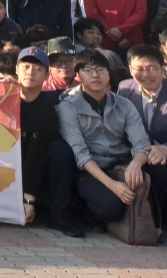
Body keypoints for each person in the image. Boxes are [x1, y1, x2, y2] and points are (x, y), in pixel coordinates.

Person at [56, 54, 155, 229]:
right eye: (88, 70)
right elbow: (80, 154)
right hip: (90, 169)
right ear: (78, 75)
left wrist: (136, 164)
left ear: (109, 75)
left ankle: (156, 221)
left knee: (162, 171)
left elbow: (141, 142)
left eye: (101, 70)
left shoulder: (124, 105)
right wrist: (113, 186)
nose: (95, 75)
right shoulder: (68, 107)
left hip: (121, 164)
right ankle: (86, 210)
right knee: (111, 207)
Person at [116, 44, 167, 237]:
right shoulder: (124, 89)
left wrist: (165, 149)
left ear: (163, 69)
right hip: (134, 149)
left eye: (151, 68)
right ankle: (150, 217)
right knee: (161, 171)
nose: (146, 74)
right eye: (139, 69)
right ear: (130, 70)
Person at [12, 47, 72, 229]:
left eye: (38, 69)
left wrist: (28, 200)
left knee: (61, 150)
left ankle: (58, 216)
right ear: (16, 70)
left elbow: (37, 155)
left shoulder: (48, 111)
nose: (30, 73)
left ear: (47, 75)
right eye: (26, 67)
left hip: (36, 174)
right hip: (5, 171)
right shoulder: (2, 99)